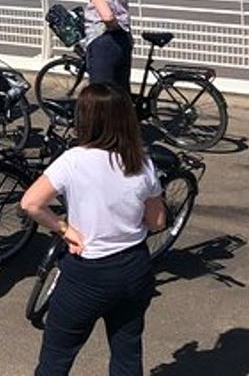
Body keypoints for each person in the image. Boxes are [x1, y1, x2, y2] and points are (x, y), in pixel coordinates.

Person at [20, 83, 167, 376]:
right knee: (127, 352)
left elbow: (31, 203)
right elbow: (158, 222)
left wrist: (64, 228)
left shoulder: (74, 160)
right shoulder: (140, 161)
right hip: (134, 267)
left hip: (87, 274)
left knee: (57, 357)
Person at [82, 0, 133, 93]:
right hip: (123, 40)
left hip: (104, 44)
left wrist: (112, 27)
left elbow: (108, 17)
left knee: (101, 92)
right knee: (121, 89)